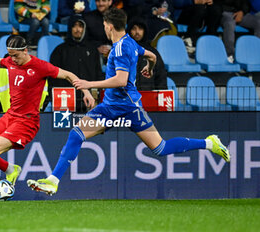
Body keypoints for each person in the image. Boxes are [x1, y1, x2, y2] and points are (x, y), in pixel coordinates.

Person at [27, 8, 230, 196]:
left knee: (160, 148)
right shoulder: (130, 42)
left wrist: (90, 83)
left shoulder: (120, 49)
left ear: (108, 25)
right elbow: (151, 55)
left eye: (105, 25)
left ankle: (209, 143)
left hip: (127, 108)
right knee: (77, 134)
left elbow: (121, 80)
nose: (104, 28)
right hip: (112, 108)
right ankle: (53, 180)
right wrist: (149, 67)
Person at [0, 32, 95, 200]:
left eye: (15, 56)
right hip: (9, 117)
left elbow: (68, 75)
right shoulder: (11, 61)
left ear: (26, 51)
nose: (12, 59)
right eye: (10, 55)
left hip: (26, 122)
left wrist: (86, 91)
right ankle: (11, 170)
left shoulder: (40, 66)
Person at [49, 15, 104, 112]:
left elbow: (98, 73)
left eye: (80, 26)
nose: (77, 29)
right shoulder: (60, 50)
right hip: (66, 102)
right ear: (70, 28)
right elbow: (53, 77)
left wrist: (98, 93)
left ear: (84, 28)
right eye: (74, 26)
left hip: (90, 101)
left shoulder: (92, 49)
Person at [127, 17, 167, 90]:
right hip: (128, 96)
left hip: (149, 95)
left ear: (144, 31)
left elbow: (161, 77)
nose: (137, 32)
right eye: (134, 29)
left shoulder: (153, 52)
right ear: (129, 31)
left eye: (140, 29)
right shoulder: (124, 51)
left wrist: (161, 96)